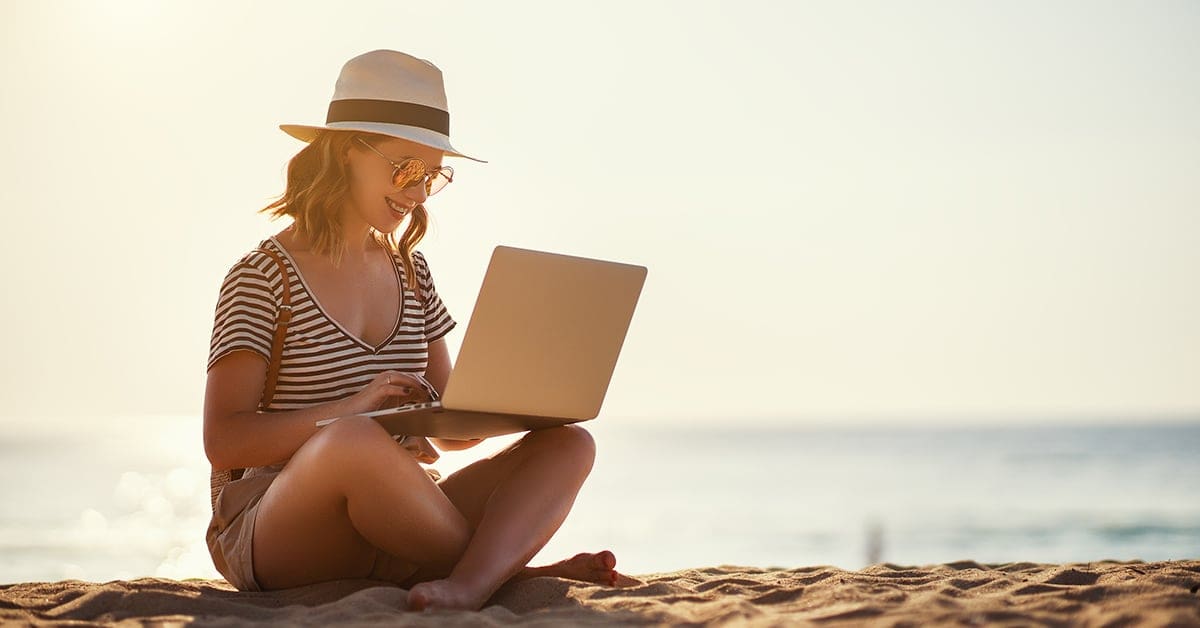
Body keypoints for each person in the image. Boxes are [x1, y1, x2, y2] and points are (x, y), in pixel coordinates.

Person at [203, 49, 623, 612]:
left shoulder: (412, 271)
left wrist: (500, 407)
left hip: (397, 519)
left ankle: (470, 580)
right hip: (276, 524)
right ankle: (505, 571)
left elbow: (450, 432)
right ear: (348, 151)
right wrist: (353, 411)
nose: (419, 193)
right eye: (405, 169)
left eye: (432, 176)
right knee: (353, 442)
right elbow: (223, 440)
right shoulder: (261, 276)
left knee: (571, 444)